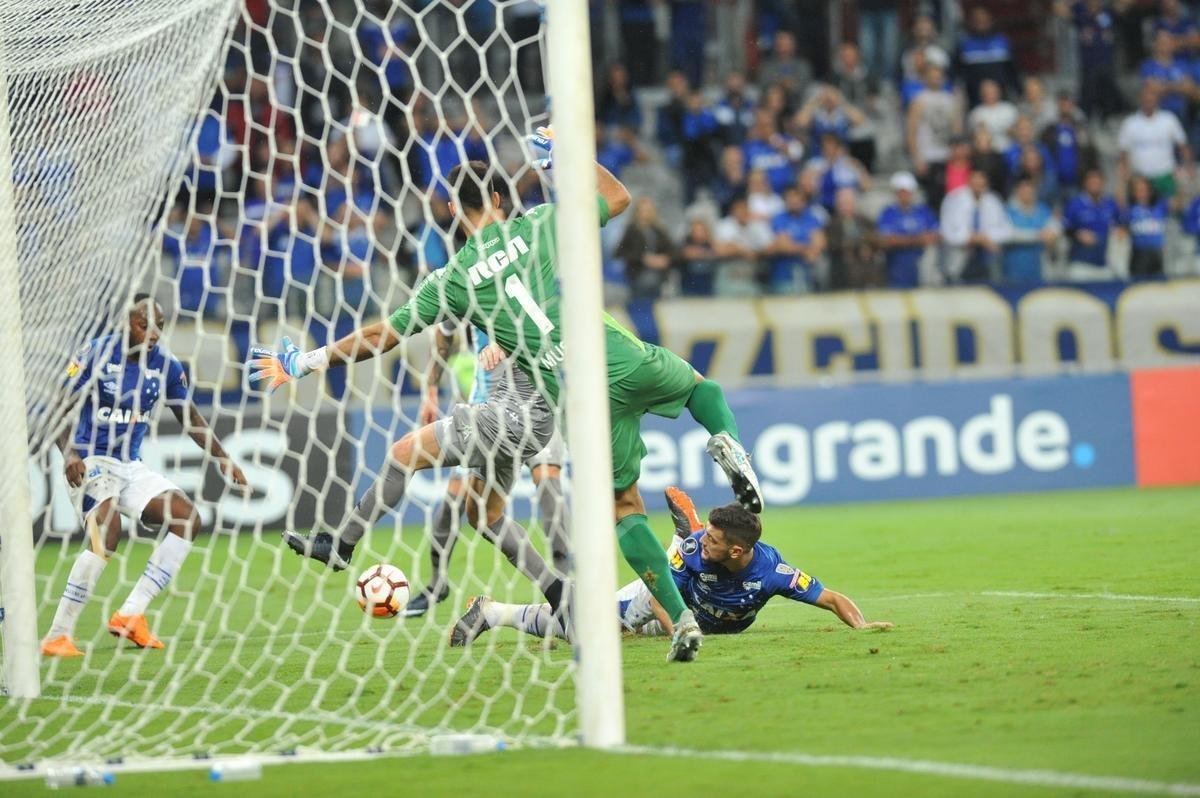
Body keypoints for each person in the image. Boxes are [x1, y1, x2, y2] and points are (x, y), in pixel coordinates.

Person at [256, 134, 764, 664]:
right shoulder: (544, 221)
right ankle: (566, 586)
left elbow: (386, 333)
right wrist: (566, 155)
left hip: (535, 407)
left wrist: (309, 361)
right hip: (584, 375)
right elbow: (617, 198)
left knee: (406, 453)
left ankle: (341, 543)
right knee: (487, 509)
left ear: (453, 210)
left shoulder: (450, 279)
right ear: (501, 198)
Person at [41, 295, 249, 657]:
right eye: (144, 325)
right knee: (107, 531)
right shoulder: (95, 352)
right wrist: (69, 452)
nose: (153, 333)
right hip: (91, 459)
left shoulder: (165, 365)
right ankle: (59, 634)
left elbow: (189, 417)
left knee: (187, 518)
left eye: (159, 327)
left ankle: (131, 615)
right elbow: (61, 403)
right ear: (128, 322)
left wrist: (223, 458)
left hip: (130, 465)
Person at [451, 488, 893, 645]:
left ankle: (675, 538)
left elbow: (832, 597)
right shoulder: (698, 553)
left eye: (715, 539)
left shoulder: (772, 574)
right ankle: (491, 613)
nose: (709, 543)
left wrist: (861, 625)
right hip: (661, 600)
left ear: (738, 552)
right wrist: (682, 627)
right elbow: (664, 595)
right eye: (706, 535)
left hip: (689, 615)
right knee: (584, 628)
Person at [404, 319, 570, 618]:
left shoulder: (528, 298)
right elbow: (443, 332)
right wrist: (430, 387)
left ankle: (565, 586)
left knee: (549, 488)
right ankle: (436, 584)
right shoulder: (472, 293)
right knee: (453, 502)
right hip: (489, 415)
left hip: (537, 405)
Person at [1118, 83, 1192, 199]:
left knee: (1170, 211)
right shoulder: (1130, 123)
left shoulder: (1169, 119)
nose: (1149, 101)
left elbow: (1183, 146)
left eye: (1152, 98)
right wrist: (1124, 176)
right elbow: (1123, 153)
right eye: (1146, 98)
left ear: (1157, 100)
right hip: (1141, 178)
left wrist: (1188, 168)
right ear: (1140, 99)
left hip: (1165, 176)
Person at [940, 169, 1013, 283]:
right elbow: (946, 233)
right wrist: (972, 238)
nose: (978, 185)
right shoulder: (954, 199)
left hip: (987, 259)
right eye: (975, 182)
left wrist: (985, 238)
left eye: (981, 183)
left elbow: (1007, 230)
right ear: (968, 182)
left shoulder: (993, 201)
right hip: (960, 258)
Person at [1055, 0, 1124, 120]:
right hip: (1088, 66)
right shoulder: (1080, 10)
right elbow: (1058, 8)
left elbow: (1125, 4)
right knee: (1087, 98)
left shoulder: (1107, 11)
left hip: (1107, 64)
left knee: (1109, 97)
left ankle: (1109, 119)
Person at [907, 62, 961, 210]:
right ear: (925, 78)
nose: (936, 79)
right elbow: (911, 131)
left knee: (951, 199)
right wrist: (917, 157)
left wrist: (957, 157)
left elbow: (956, 130)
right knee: (931, 200)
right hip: (928, 156)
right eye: (932, 76)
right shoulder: (919, 100)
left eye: (938, 76)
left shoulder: (950, 99)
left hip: (947, 156)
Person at [877, 171, 939, 288]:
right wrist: (917, 240)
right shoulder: (888, 212)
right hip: (897, 264)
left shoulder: (923, 211)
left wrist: (904, 240)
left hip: (921, 261)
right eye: (901, 192)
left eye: (907, 192)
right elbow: (888, 240)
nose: (905, 195)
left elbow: (935, 235)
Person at [1062, 167, 1124, 280]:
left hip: (1104, 264)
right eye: (1092, 182)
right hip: (1081, 265)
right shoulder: (1075, 204)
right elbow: (1065, 228)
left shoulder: (1110, 204)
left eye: (1098, 182)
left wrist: (1121, 231)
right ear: (1085, 183)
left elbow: (1121, 224)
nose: (1095, 185)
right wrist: (1078, 234)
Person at [955, 6, 1019, 107]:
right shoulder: (964, 44)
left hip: (1002, 96)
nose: (981, 23)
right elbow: (958, 72)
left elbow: (1013, 70)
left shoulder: (1002, 41)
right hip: (975, 97)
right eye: (977, 20)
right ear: (972, 22)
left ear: (990, 20)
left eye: (984, 19)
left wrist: (1016, 89)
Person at [615, 196, 678, 298]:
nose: (645, 214)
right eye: (642, 210)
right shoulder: (631, 231)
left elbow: (674, 252)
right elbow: (619, 253)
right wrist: (643, 258)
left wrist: (664, 259)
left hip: (660, 278)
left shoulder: (659, 230)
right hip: (637, 276)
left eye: (648, 210)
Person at [1004, 177, 1060, 283]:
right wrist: (1038, 235)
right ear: (1017, 191)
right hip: (1013, 270)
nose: (1027, 193)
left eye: (1030, 191)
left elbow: (1055, 228)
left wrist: (1052, 234)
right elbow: (1009, 234)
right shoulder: (1008, 211)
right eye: (1024, 190)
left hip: (1038, 270)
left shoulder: (1043, 210)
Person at [825, 188, 882, 290]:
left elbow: (877, 239)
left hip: (866, 265)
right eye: (842, 204)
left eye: (848, 203)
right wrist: (856, 245)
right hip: (841, 266)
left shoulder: (866, 221)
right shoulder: (831, 224)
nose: (845, 207)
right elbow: (831, 244)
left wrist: (866, 245)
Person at [1122, 174, 1170, 277]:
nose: (1141, 193)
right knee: (1139, 284)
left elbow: (1177, 203)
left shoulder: (1159, 207)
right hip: (1139, 253)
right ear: (1133, 192)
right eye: (1138, 190)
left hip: (1158, 253)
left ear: (1150, 190)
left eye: (1144, 189)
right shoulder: (1130, 210)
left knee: (1158, 285)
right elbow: (1122, 229)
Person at [967, 79, 1019, 152]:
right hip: (987, 151)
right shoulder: (976, 113)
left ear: (998, 92)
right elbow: (974, 136)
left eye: (992, 91)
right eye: (986, 92)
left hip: (1009, 148)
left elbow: (1019, 131)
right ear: (981, 94)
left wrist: (1012, 131)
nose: (989, 94)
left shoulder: (1009, 109)